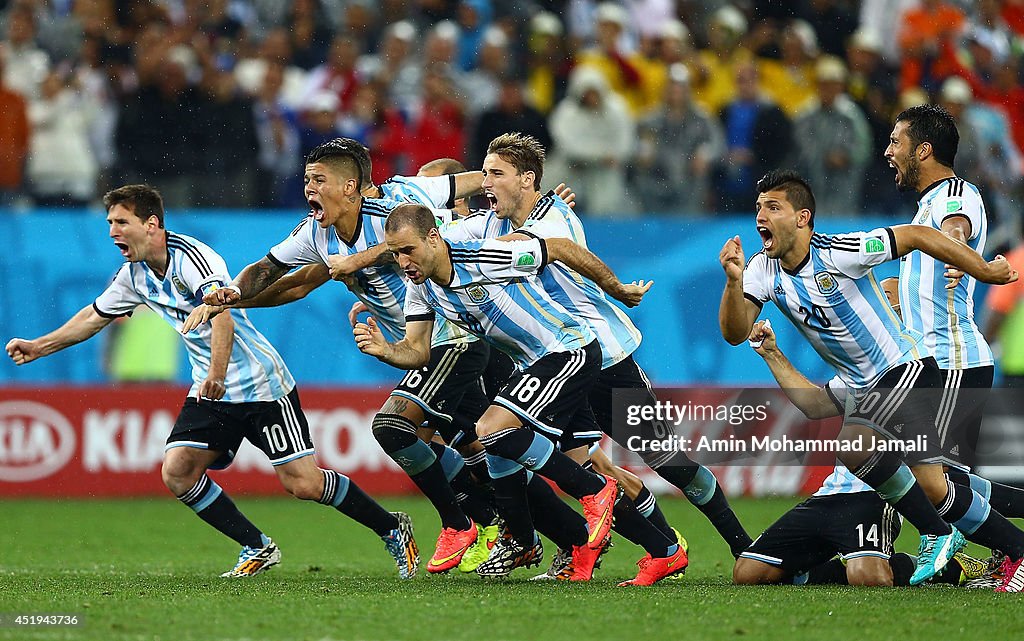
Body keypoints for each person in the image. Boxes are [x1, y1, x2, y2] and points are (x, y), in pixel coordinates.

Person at [5, 184, 419, 580]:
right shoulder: (133, 275)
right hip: (210, 386)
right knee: (178, 471)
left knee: (304, 484)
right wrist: (40, 346)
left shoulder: (192, 258)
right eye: (110, 223)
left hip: (259, 384)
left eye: (121, 222)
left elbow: (221, 315)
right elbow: (93, 317)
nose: (113, 232)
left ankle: (391, 527)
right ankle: (256, 545)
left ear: (151, 224)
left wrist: (218, 375)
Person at [184, 140, 496, 575]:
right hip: (423, 346)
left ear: (350, 186)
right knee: (479, 444)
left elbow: (477, 186)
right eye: (306, 179)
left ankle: (466, 523)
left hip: (463, 331)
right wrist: (231, 296)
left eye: (318, 180)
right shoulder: (315, 232)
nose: (308, 188)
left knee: (407, 428)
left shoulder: (400, 204)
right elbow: (278, 276)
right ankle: (520, 529)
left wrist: (532, 199)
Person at [441, 132, 753, 564]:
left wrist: (614, 287)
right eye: (485, 172)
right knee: (580, 469)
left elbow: (537, 249)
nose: (485, 182)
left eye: (496, 173)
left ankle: (742, 546)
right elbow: (437, 238)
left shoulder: (555, 216)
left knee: (667, 462)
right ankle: (658, 549)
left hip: (604, 357)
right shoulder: (493, 222)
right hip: (553, 363)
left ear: (528, 180)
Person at [718, 169, 1024, 591]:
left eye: (773, 207)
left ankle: (937, 532)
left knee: (856, 445)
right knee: (936, 486)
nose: (761, 217)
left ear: (803, 217)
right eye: (758, 208)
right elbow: (734, 333)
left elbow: (918, 236)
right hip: (868, 389)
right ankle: (1007, 544)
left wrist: (981, 270)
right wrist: (734, 283)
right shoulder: (760, 271)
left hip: (908, 368)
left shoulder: (840, 252)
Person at [356, 202, 688, 586]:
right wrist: (387, 351)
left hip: (570, 349)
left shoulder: (484, 257)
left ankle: (591, 496)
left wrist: (614, 288)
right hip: (536, 365)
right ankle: (663, 551)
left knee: (492, 429)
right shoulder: (421, 289)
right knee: (537, 456)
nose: (402, 261)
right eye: (394, 253)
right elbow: (418, 351)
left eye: (408, 250)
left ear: (433, 238)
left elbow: (561, 248)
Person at [735, 319, 999, 589]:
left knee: (869, 578)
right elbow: (814, 405)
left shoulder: (916, 369)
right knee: (748, 573)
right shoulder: (857, 372)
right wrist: (772, 354)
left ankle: (956, 568)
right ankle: (831, 569)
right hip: (831, 493)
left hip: (876, 495)